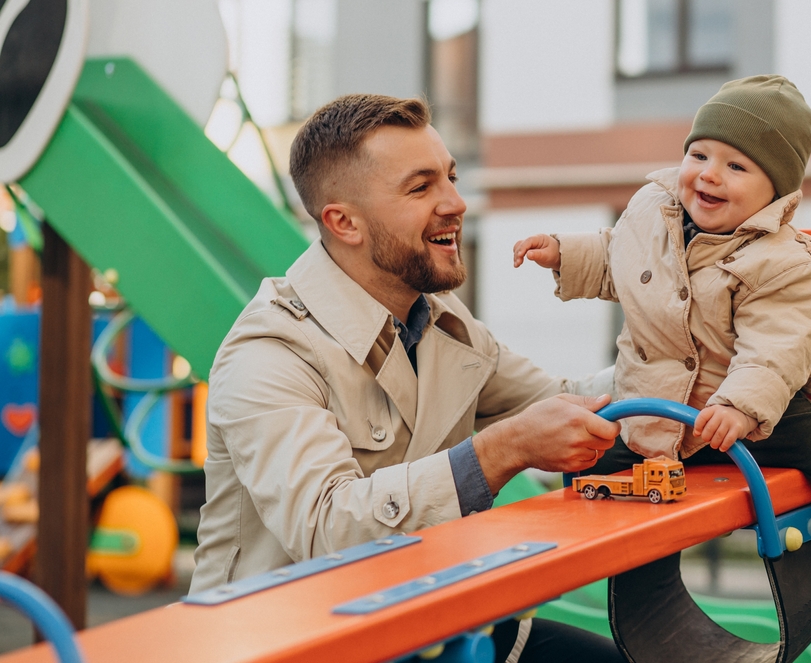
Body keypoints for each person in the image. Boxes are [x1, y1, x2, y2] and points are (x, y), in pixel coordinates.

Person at [190, 94, 626, 662]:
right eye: (421, 188)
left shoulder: (443, 321)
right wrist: (502, 451)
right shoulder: (270, 353)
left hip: (424, 627)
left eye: (450, 176)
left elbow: (569, 402)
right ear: (343, 222)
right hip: (287, 645)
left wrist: (699, 359)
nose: (455, 202)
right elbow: (327, 530)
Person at [513, 75, 811, 569]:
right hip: (655, 404)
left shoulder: (788, 264)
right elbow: (619, 255)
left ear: (775, 191)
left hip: (756, 409)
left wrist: (742, 406)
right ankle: (566, 545)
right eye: (699, 155)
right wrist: (564, 254)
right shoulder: (650, 212)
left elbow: (775, 350)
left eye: (736, 165)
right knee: (596, 460)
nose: (709, 175)